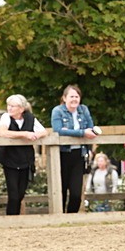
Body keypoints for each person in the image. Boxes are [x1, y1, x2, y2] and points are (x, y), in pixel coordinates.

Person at [50, 85, 101, 213]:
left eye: (76, 96)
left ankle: (71, 217)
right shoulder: (57, 111)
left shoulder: (83, 110)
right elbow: (58, 130)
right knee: (61, 189)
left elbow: (90, 127)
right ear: (64, 98)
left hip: (79, 154)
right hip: (61, 154)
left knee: (76, 194)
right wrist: (81, 132)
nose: (74, 99)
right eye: (71, 96)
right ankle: (59, 218)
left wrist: (72, 132)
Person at [0, 94, 48, 215]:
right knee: (13, 194)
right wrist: (25, 134)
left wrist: (36, 135)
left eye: (13, 106)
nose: (9, 108)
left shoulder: (30, 118)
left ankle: (16, 217)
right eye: (8, 105)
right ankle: (11, 218)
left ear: (21, 108)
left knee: (20, 194)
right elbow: (3, 132)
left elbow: (44, 131)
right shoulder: (6, 117)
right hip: (10, 159)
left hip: (25, 159)